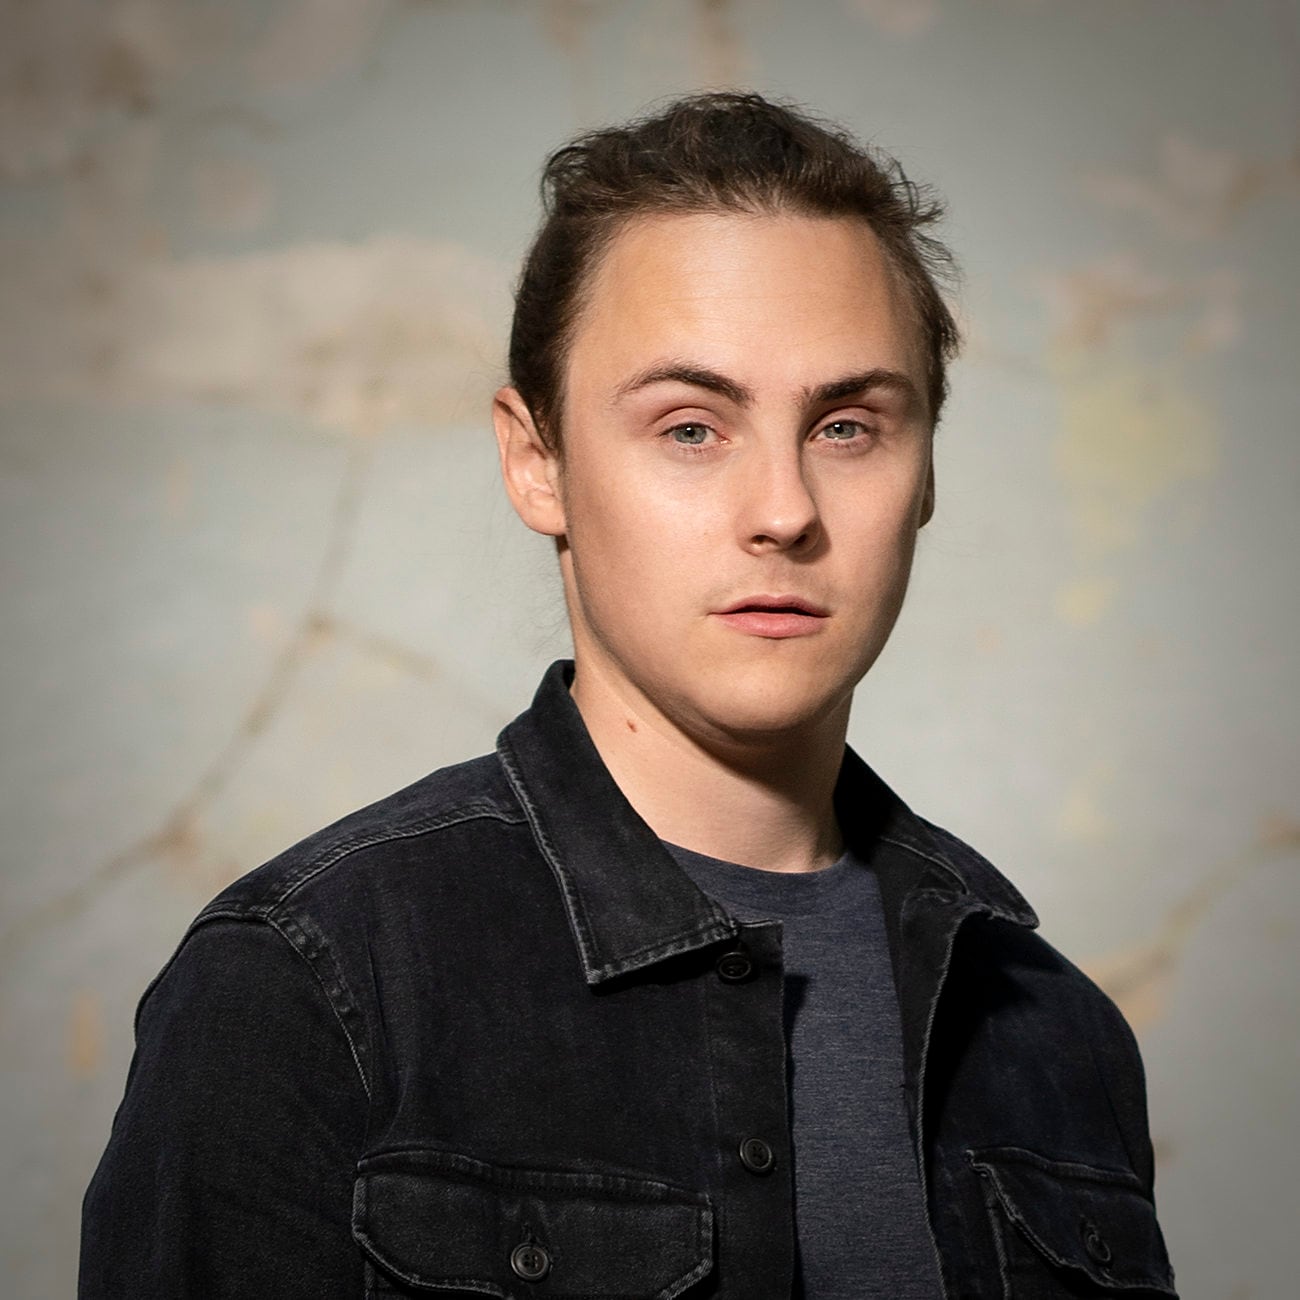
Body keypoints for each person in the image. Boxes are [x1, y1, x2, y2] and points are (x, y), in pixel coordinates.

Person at [81, 92, 1176, 1299]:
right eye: (691, 428)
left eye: (847, 426)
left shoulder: (1054, 1027)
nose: (784, 510)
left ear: (924, 473)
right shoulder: (305, 986)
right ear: (535, 460)